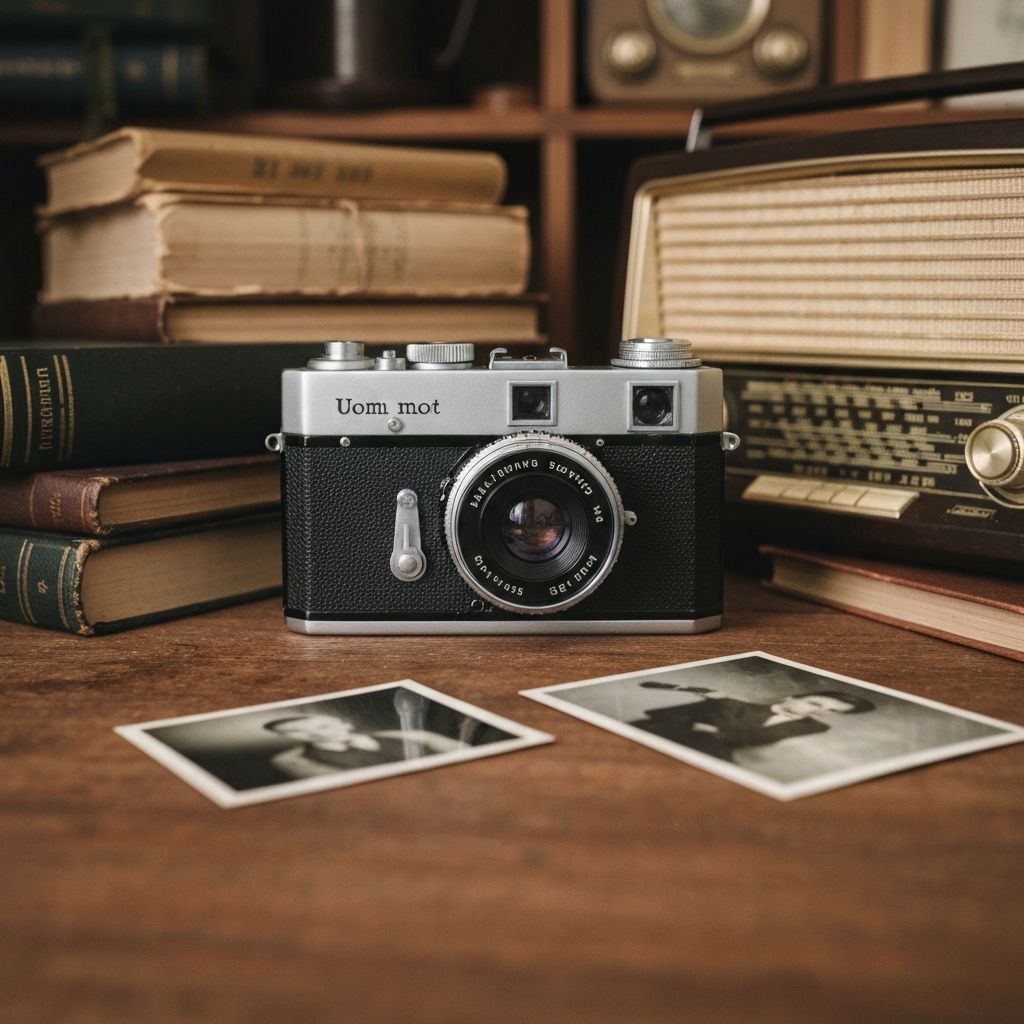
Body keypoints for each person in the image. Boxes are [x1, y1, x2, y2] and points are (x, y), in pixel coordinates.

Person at [630, 682, 875, 762]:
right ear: (793, 696)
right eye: (816, 704)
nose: (821, 713)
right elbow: (661, 718)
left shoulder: (815, 726)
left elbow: (753, 738)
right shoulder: (734, 705)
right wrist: (722, 704)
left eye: (832, 711)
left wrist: (722, 709)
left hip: (716, 753)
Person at [263, 713, 467, 779]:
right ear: (287, 738)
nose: (318, 732)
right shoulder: (295, 760)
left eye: (323, 725)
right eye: (297, 731)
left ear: (345, 723)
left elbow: (463, 752)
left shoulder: (406, 734)